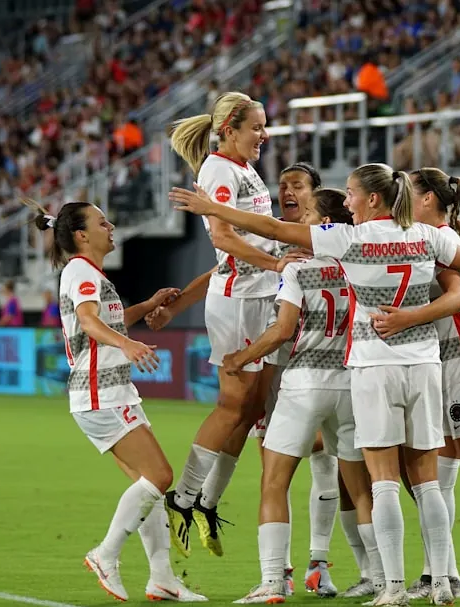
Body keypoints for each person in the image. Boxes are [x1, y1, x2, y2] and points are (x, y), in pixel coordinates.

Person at [170, 162, 460, 607]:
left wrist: (212, 208)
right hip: (420, 366)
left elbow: (271, 231)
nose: (346, 200)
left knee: (369, 484)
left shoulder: (348, 242)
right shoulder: (429, 237)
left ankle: (383, 586)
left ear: (373, 199)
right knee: (424, 483)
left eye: (351, 192)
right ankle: (440, 582)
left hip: (362, 370)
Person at [146, 162, 341, 595]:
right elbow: (225, 269)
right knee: (276, 463)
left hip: (312, 362)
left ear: (316, 194)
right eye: (283, 185)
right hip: (280, 363)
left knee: (323, 462)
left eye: (299, 186)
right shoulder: (268, 236)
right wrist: (179, 306)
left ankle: (319, 563)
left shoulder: (325, 237)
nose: (289, 192)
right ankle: (279, 568)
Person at [28, 200, 205, 602]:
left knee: (149, 486)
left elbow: (106, 319)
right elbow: (90, 322)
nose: (111, 227)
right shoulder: (79, 271)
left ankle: (162, 579)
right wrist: (128, 345)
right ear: (81, 235)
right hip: (100, 393)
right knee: (159, 476)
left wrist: (147, 306)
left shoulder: (88, 273)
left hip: (107, 392)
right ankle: (106, 554)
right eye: (102, 222)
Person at [163, 92, 308, 560]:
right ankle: (182, 497)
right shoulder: (219, 170)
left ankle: (207, 502)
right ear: (228, 128)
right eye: (257, 128)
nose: (264, 135)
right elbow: (224, 238)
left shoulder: (244, 169)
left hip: (260, 295)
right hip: (239, 302)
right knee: (232, 406)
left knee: (250, 413)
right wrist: (276, 263)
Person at [373, 168, 460, 604]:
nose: (401, 199)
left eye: (409, 193)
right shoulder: (444, 239)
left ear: (430, 200)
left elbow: (455, 295)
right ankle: (442, 573)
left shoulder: (441, 245)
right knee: (441, 481)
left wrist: (404, 319)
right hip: (442, 366)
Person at [220, 189, 369, 604]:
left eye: (307, 214)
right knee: (359, 488)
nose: (299, 219)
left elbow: (283, 330)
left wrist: (242, 357)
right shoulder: (360, 265)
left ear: (323, 224)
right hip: (351, 384)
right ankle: (379, 575)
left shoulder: (298, 270)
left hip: (304, 383)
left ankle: (272, 581)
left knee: (274, 480)